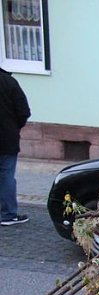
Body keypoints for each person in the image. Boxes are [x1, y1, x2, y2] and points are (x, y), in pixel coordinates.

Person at [0, 66, 31, 226]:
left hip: (7, 136)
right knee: (6, 176)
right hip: (6, 138)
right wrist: (13, 126)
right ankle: (7, 214)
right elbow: (23, 111)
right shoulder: (9, 82)